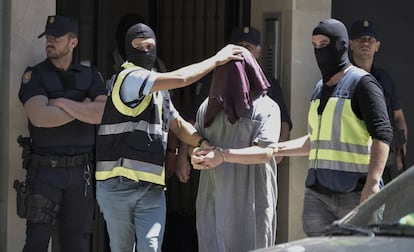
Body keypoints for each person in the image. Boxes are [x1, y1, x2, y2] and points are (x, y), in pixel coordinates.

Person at [94, 23, 245, 252]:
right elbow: (182, 78)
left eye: (150, 46)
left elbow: (178, 125)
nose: (146, 52)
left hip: (151, 187)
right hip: (118, 186)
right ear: (128, 50)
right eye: (139, 47)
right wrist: (217, 59)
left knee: (151, 247)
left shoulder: (158, 85)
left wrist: (203, 143)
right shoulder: (129, 77)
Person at [276, 18, 393, 237]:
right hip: (318, 195)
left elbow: (383, 135)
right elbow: (316, 140)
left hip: (355, 194)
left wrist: (373, 183)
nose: (319, 51)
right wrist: (277, 149)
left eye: (324, 44)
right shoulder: (319, 88)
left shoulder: (363, 84)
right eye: (315, 45)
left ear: (341, 45)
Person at [18, 15, 108, 252]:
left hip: (81, 174)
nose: (50, 42)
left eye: (56, 38)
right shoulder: (35, 75)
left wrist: (62, 104)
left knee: (77, 242)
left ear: (73, 42)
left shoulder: (90, 75)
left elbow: (104, 114)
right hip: (45, 171)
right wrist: (84, 107)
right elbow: (39, 117)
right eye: (48, 37)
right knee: (36, 241)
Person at [190, 48, 281, 251]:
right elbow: (197, 142)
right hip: (214, 198)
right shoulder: (207, 108)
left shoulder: (266, 108)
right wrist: (196, 155)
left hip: (252, 201)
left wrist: (222, 155)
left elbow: (265, 152)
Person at [349, 19, 407, 184]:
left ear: (377, 46)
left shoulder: (384, 79)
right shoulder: (342, 79)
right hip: (352, 164)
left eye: (370, 39)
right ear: (351, 44)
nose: (365, 43)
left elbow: (398, 118)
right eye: (360, 39)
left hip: (383, 164)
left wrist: (400, 152)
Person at [230, 26, 293, 163]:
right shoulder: (219, 80)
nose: (243, 51)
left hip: (260, 158)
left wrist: (279, 148)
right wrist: (181, 156)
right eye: (239, 46)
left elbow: (284, 121)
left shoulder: (270, 84)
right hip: (227, 157)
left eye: (248, 46)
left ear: (258, 52)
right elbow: (195, 120)